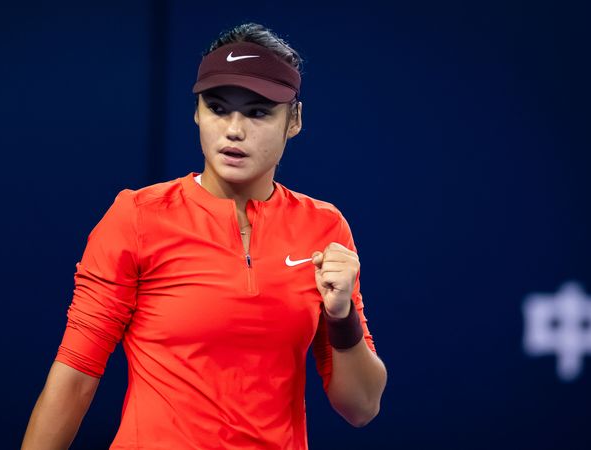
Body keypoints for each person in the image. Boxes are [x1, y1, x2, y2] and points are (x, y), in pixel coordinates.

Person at [21, 22, 387, 449]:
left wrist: (343, 318)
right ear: (196, 111)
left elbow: (361, 407)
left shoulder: (324, 227)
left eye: (258, 111)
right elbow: (75, 377)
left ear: (294, 120)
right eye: (217, 108)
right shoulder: (136, 218)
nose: (234, 129)